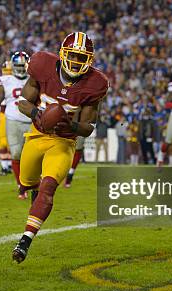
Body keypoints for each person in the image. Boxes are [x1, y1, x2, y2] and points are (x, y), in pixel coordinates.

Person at [12, 32, 108, 263]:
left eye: (81, 57)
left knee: (48, 187)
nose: (75, 61)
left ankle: (25, 241)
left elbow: (88, 127)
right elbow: (23, 102)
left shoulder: (95, 84)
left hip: (64, 142)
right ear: (63, 54)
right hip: (36, 135)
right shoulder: (42, 65)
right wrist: (38, 114)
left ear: (90, 60)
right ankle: (34, 197)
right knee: (27, 182)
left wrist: (71, 124)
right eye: (72, 55)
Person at [0, 52, 31, 198]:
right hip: (13, 119)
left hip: (31, 120)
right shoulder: (5, 80)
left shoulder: (34, 79)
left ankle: (32, 182)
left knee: (32, 156)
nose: (20, 69)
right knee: (15, 153)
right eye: (18, 66)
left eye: (23, 66)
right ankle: (21, 186)